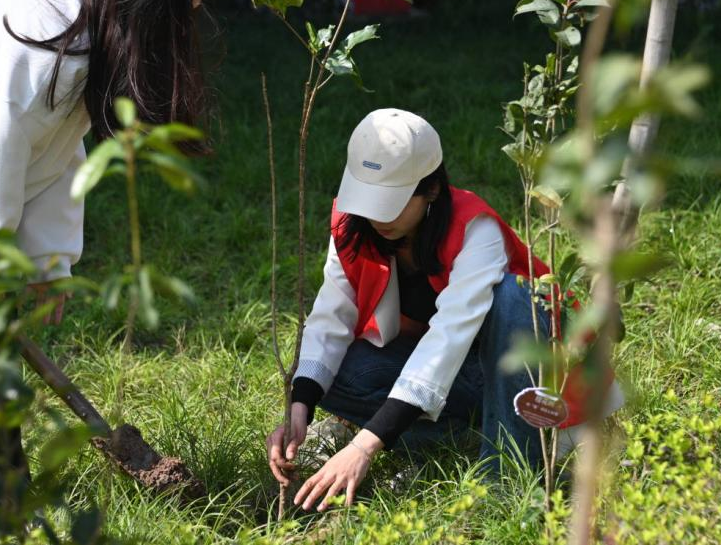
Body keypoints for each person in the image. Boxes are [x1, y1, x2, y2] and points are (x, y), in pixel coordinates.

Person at [0, 0, 211, 502]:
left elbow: (57, 156)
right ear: (149, 7)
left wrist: (50, 265)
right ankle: (2, 507)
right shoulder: (39, 52)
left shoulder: (92, 28)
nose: (181, 36)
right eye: (177, 20)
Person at [266, 108, 624, 512]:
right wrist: (299, 411)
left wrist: (364, 446)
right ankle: (474, 440)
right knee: (335, 372)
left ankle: (507, 472)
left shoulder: (476, 231)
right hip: (459, 381)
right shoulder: (354, 227)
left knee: (512, 294)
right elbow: (330, 319)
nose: (376, 215)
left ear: (432, 189)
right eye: (370, 199)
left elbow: (447, 340)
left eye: (392, 202)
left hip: (529, 376)